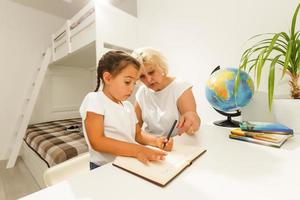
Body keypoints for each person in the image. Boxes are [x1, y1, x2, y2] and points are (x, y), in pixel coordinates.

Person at [79, 51, 173, 170]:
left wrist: (156, 141)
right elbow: (97, 141)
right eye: (127, 82)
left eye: (134, 83)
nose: (132, 88)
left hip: (127, 162)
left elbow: (138, 135)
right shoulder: (95, 99)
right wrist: (139, 150)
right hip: (103, 167)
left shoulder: (128, 106)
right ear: (108, 78)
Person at [132, 47, 201, 137]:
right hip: (152, 144)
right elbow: (135, 127)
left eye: (151, 72)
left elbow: (193, 117)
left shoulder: (180, 86)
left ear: (161, 67)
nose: (148, 80)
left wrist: (193, 121)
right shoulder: (141, 93)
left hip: (178, 143)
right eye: (142, 76)